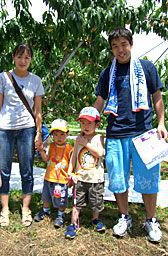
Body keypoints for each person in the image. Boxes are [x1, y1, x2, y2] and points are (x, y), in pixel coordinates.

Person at [94, 27, 167, 243]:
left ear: (131, 45)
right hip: (116, 133)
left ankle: (151, 220)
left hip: (143, 133)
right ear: (111, 50)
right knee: (118, 178)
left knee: (149, 179)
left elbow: (157, 97)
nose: (120, 50)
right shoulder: (108, 72)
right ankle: (124, 216)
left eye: (123, 45)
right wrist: (89, 119)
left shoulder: (146, 68)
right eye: (115, 47)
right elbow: (100, 99)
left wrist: (161, 123)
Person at [0, 43, 45, 227]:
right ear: (13, 57)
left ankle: (25, 209)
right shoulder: (3, 78)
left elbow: (38, 111)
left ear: (31, 59)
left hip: (27, 129)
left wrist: (38, 133)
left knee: (27, 170)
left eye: (27, 57)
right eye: (20, 56)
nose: (23, 61)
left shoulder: (36, 81)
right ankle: (5, 209)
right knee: (4, 170)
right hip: (5, 130)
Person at [65, 107, 105, 239]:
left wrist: (86, 144)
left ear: (97, 124)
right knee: (77, 202)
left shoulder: (99, 138)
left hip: (95, 179)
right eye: (82, 123)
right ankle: (73, 223)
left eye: (89, 123)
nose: (85, 126)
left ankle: (95, 219)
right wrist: (70, 171)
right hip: (80, 178)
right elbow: (74, 156)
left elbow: (99, 154)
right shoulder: (78, 139)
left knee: (96, 201)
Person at [34, 119, 73, 228]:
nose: (59, 137)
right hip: (49, 178)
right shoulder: (50, 146)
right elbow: (46, 159)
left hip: (62, 179)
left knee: (61, 199)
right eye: (56, 135)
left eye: (62, 134)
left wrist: (70, 174)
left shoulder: (69, 148)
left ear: (67, 134)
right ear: (52, 135)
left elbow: (72, 162)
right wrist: (41, 151)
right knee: (46, 197)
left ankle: (61, 214)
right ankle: (46, 210)